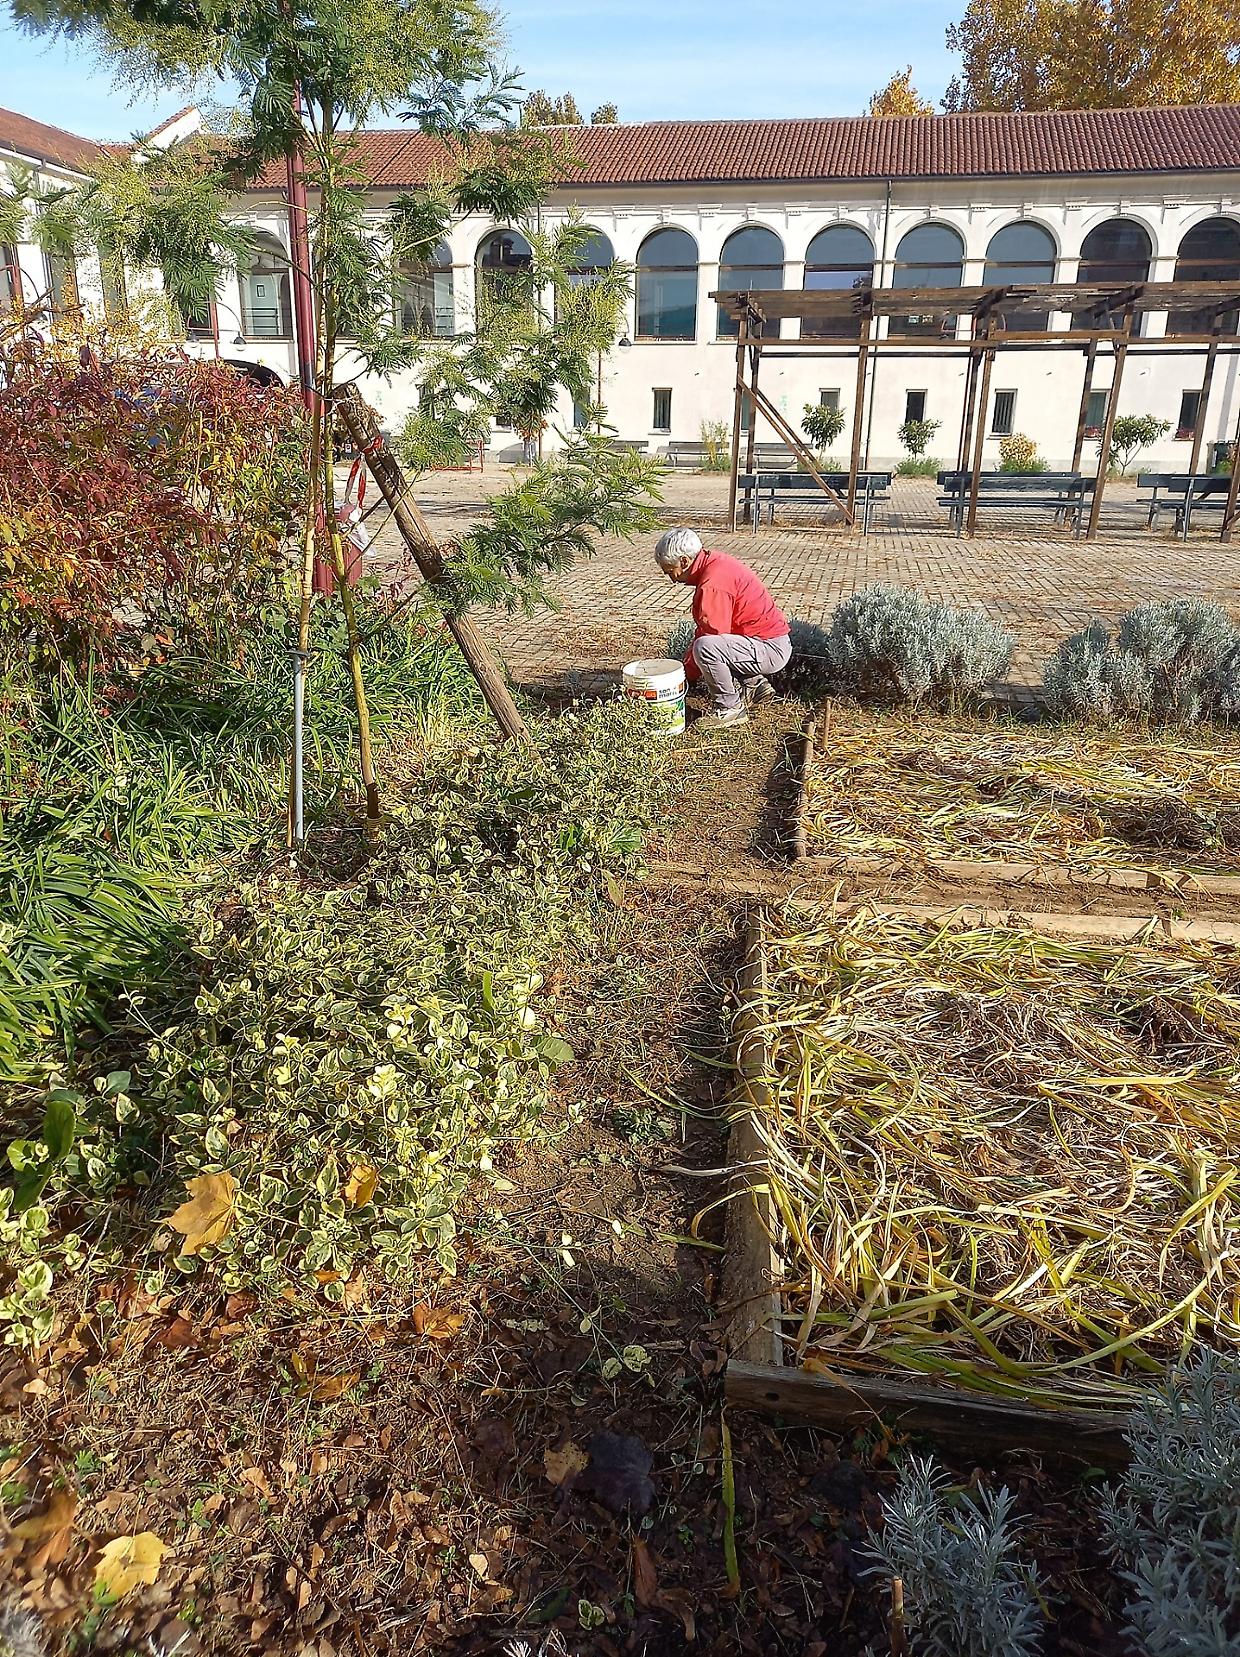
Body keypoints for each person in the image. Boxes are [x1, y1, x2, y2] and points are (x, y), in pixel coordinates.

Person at [655, 526, 791, 730]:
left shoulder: (713, 583)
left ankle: (729, 709)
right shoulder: (714, 563)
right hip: (765, 643)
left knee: (705, 648)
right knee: (711, 646)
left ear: (684, 561)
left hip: (769, 648)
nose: (671, 578)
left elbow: (712, 637)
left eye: (670, 570)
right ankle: (755, 686)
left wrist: (685, 678)